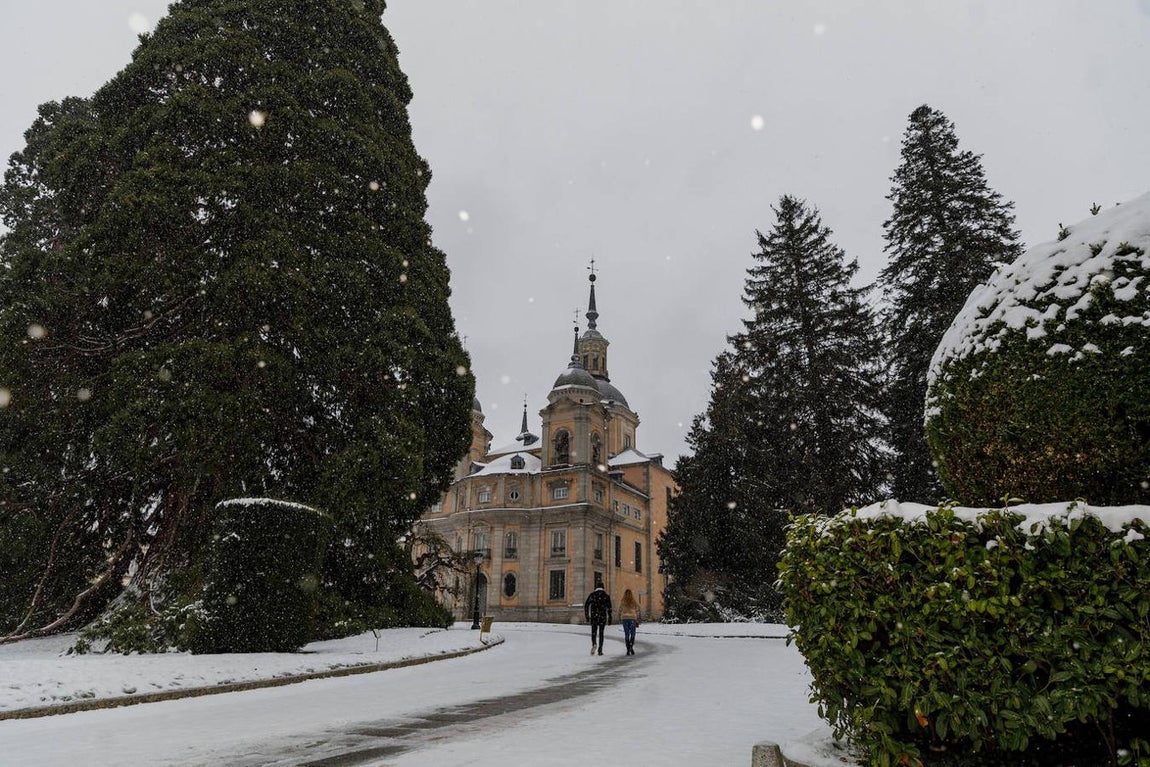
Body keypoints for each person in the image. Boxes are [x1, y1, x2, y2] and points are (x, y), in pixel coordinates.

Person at [583, 585, 612, 655]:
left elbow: (586, 605)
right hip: (602, 617)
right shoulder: (606, 596)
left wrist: (587, 616)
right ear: (603, 588)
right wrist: (610, 618)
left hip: (594, 616)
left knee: (594, 632)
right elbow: (609, 608)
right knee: (601, 633)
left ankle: (594, 644)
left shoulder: (592, 595)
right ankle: (600, 649)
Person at [619, 588, 640, 655]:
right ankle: (631, 646)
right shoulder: (633, 601)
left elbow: (620, 609)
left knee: (627, 634)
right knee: (633, 633)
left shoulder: (623, 601)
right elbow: (638, 608)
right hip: (632, 618)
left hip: (625, 618)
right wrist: (636, 615)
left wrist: (620, 615)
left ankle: (628, 648)